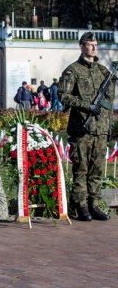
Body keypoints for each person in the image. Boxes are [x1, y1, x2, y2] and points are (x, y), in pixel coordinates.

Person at [58, 32, 113, 222]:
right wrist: (85, 105)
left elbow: (108, 102)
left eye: (96, 44)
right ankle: (81, 206)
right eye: (90, 45)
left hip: (100, 130)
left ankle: (94, 205)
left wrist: (108, 124)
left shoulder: (103, 71)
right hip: (82, 129)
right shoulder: (72, 71)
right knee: (80, 169)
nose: (94, 48)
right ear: (81, 47)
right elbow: (63, 96)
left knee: (96, 170)